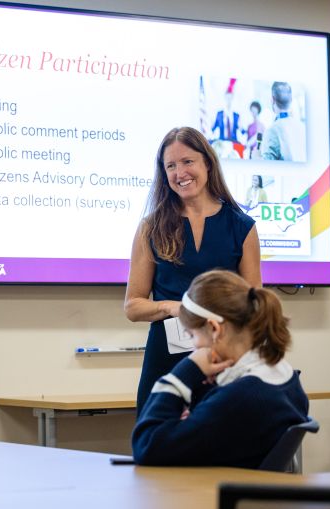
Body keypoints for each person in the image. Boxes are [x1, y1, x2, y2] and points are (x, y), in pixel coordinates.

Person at [125, 127, 261, 412]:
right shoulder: (151, 227)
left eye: (188, 161)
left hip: (224, 358)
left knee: (219, 448)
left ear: (207, 163)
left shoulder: (242, 227)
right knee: (156, 447)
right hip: (166, 360)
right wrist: (174, 308)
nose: (179, 173)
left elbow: (255, 306)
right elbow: (133, 306)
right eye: (170, 166)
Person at [131, 270, 309, 468]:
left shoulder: (240, 398)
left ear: (215, 329)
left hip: (210, 494)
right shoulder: (284, 378)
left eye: (191, 335)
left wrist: (182, 373)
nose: (194, 347)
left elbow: (147, 447)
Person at [260, 81, 307, 162]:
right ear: (291, 99)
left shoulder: (272, 130)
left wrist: (256, 158)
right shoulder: (302, 127)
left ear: (272, 99)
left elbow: (267, 170)